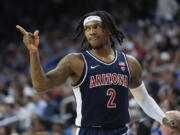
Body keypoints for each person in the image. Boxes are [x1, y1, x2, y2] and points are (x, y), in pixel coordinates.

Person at [16, 11, 178, 135]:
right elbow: (40, 86)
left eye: (96, 27)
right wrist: (33, 53)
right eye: (87, 29)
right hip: (89, 131)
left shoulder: (130, 63)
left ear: (108, 30)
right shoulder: (75, 61)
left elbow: (143, 99)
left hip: (120, 131)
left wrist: (162, 118)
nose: (91, 32)